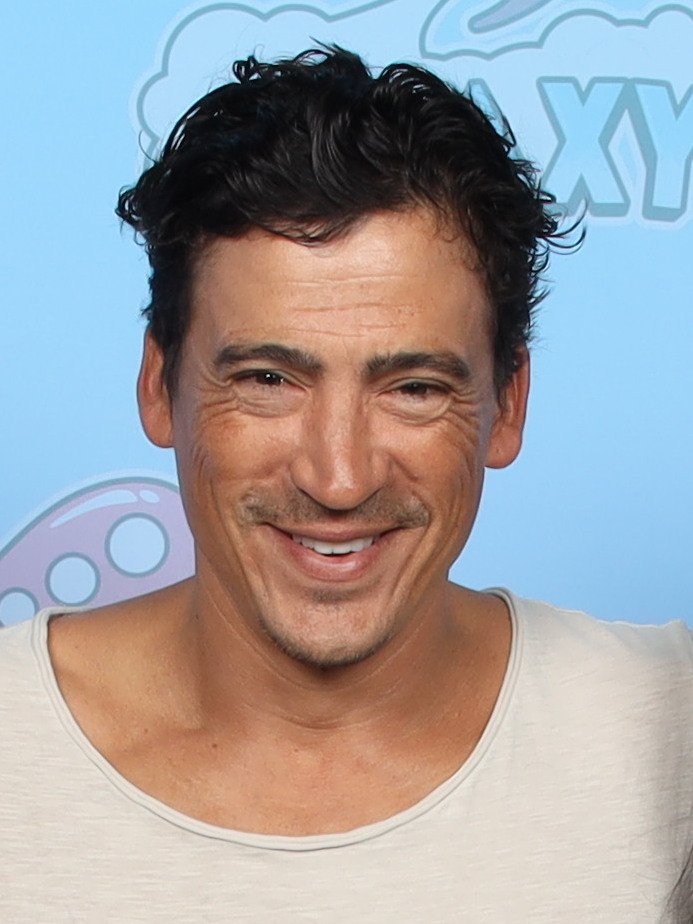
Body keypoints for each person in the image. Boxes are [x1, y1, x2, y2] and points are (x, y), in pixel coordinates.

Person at [1, 46, 690, 922]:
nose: (338, 477)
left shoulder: (668, 730)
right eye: (267, 379)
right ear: (158, 387)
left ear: (507, 405)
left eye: (413, 388)